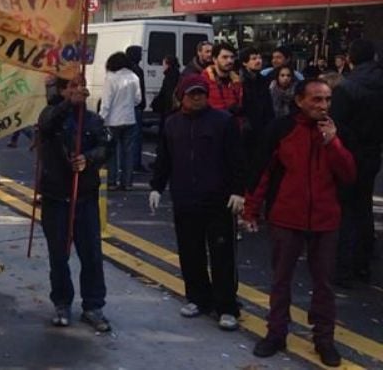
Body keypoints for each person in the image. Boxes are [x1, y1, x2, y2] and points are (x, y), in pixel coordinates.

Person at [244, 79, 356, 367]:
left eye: (327, 99)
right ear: (299, 101)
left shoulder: (338, 131)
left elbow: (349, 174)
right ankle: (276, 333)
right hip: (286, 217)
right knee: (281, 279)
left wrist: (333, 143)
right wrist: (251, 210)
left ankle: (324, 339)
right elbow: (263, 170)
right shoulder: (281, 129)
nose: (323, 105)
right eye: (316, 99)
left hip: (325, 219)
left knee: (324, 284)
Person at [149, 74, 244, 332]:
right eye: (192, 94)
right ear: (182, 97)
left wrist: (238, 191)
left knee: (222, 254)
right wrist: (156, 187)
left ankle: (227, 307)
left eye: (201, 93)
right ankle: (198, 298)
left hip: (218, 200)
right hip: (185, 198)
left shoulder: (223, 121)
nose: (197, 97)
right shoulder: (172, 124)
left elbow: (237, 159)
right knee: (190, 252)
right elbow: (164, 158)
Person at [37, 75, 112, 332]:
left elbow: (106, 147)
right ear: (62, 90)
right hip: (56, 198)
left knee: (91, 255)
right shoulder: (50, 115)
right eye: (72, 86)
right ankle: (62, 302)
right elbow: (47, 125)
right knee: (58, 255)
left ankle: (93, 306)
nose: (79, 89)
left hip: (85, 198)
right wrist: (67, 104)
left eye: (82, 85)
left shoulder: (93, 120)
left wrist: (88, 158)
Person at [331, 39, 383, 287]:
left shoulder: (346, 87)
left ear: (350, 58)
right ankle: (363, 264)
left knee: (346, 210)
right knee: (363, 206)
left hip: (350, 153)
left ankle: (344, 268)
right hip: (372, 152)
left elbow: (337, 124)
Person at [99, 52, 140, 190]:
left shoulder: (110, 78)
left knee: (111, 151)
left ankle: (112, 181)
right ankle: (127, 182)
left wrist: (101, 118)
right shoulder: (134, 77)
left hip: (113, 120)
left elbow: (106, 102)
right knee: (128, 152)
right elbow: (138, 99)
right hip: (130, 118)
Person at [239, 47, 274, 157]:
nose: (258, 61)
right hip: (246, 128)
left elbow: (268, 104)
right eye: (253, 58)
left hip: (262, 126)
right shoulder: (239, 81)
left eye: (259, 58)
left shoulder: (263, 80)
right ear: (245, 62)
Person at [125, 46, 148, 173]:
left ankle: (127, 164)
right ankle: (135, 163)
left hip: (126, 107)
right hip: (135, 107)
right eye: (139, 54)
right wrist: (142, 103)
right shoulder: (137, 70)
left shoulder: (125, 70)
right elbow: (139, 90)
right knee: (136, 137)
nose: (141, 56)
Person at [150, 55, 181, 138]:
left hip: (168, 109)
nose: (162, 66)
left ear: (168, 65)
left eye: (164, 64)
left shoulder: (169, 77)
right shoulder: (177, 74)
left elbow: (166, 93)